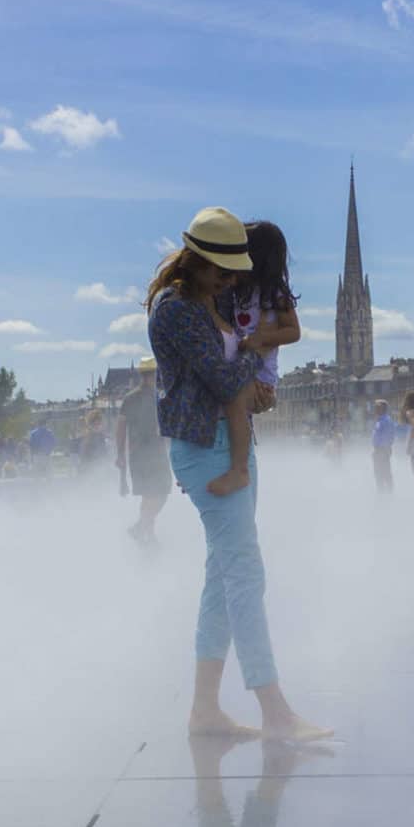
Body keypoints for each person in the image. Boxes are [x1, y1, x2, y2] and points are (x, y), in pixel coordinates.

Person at [146, 206, 328, 743]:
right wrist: (252, 363)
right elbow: (225, 378)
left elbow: (240, 374)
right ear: (198, 263)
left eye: (236, 272)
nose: (233, 281)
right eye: (224, 271)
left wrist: (258, 393)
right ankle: (275, 712)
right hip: (205, 449)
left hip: (231, 443)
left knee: (221, 580)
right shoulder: (177, 311)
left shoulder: (209, 299)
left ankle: (205, 710)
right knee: (246, 575)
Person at [208, 219, 300, 498]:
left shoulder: (275, 294)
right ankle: (209, 466)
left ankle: (238, 470)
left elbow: (294, 332)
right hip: (242, 366)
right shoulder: (236, 290)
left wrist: (261, 340)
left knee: (236, 404)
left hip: (262, 372)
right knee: (235, 409)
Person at [116, 357, 173, 545]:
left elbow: (121, 428)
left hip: (142, 453)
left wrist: (121, 454)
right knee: (157, 493)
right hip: (149, 453)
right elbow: (122, 428)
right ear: (153, 375)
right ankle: (145, 531)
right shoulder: (154, 397)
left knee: (153, 493)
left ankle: (144, 531)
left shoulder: (131, 398)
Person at [367, 398, 396, 494]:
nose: (374, 409)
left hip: (382, 450)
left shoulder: (386, 420)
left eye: (377, 407)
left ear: (383, 409)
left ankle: (387, 494)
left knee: (384, 473)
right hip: (379, 450)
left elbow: (389, 436)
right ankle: (382, 493)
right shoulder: (380, 420)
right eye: (375, 407)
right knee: (379, 473)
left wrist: (384, 451)